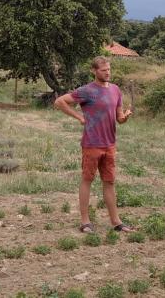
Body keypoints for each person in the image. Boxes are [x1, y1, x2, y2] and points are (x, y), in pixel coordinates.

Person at [54, 56, 134, 233]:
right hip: (91, 144)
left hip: (109, 144)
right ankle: (85, 222)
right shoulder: (87, 91)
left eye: (109, 69)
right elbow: (59, 102)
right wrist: (79, 117)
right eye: (104, 70)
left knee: (110, 182)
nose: (107, 73)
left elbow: (119, 118)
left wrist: (125, 117)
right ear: (94, 71)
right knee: (87, 180)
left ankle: (116, 222)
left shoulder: (115, 90)